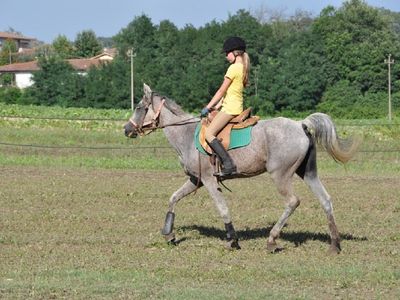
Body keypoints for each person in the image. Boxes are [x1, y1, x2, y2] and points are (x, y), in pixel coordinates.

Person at [201, 36, 250, 177]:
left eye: (226, 53)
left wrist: (207, 107)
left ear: (235, 53)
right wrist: (216, 105)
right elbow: (227, 94)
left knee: (209, 134)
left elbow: (221, 90)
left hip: (231, 109)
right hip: (233, 106)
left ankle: (229, 164)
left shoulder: (233, 68)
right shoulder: (243, 67)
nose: (225, 56)